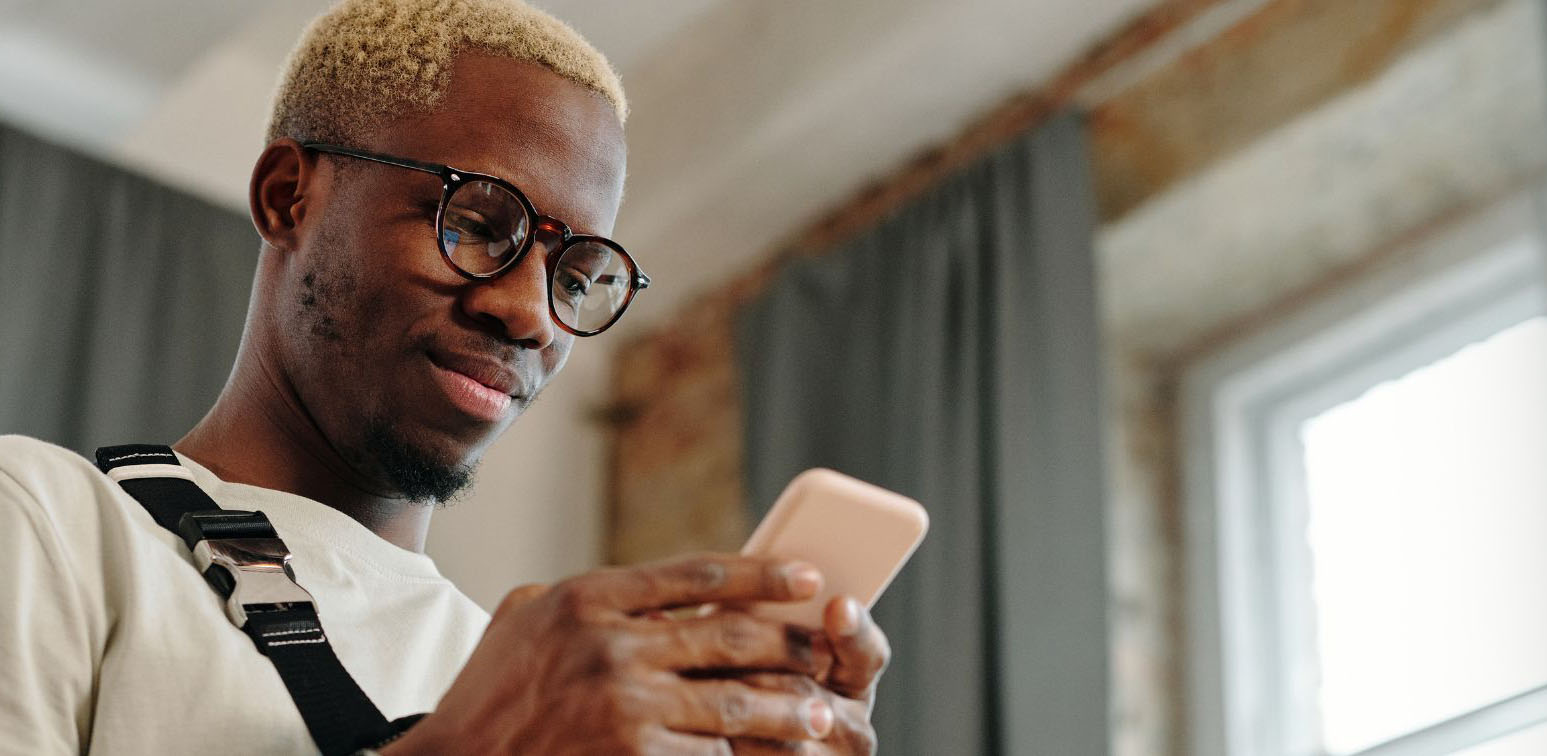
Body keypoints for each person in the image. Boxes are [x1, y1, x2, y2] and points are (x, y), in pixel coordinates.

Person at [0, 0, 886, 753]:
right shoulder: (47, 526)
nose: (533, 314)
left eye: (576, 276)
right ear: (287, 197)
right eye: (476, 222)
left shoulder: (542, 684)